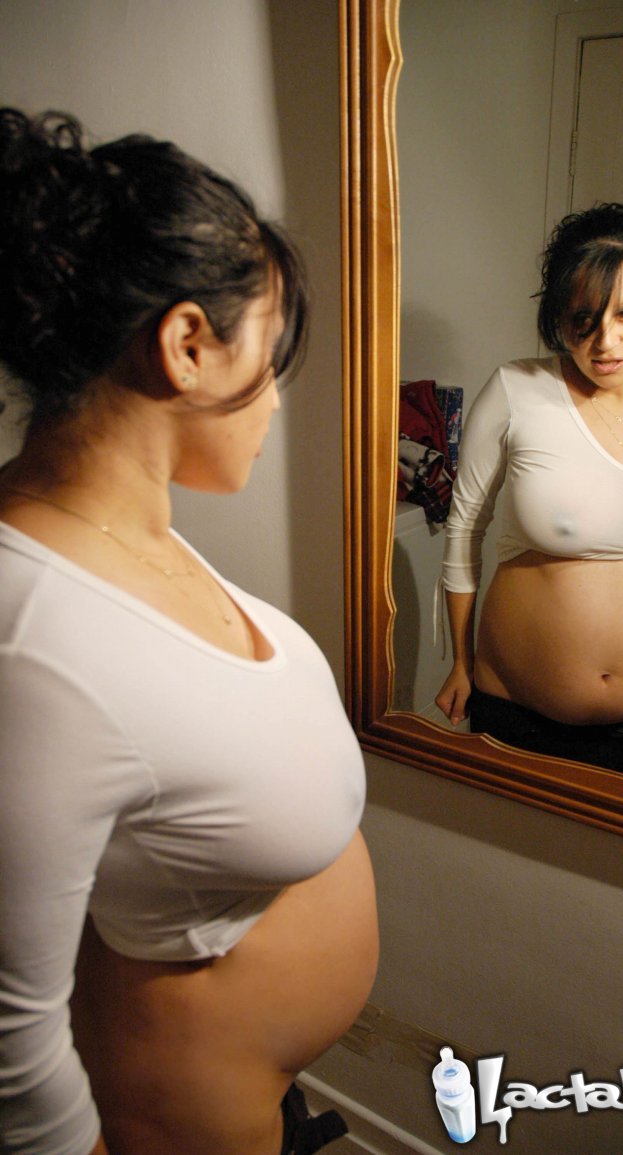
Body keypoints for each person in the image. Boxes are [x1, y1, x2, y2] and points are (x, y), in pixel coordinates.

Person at [0, 109, 378, 1155]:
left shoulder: (123, 532)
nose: (275, 402)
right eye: (270, 353)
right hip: (185, 1114)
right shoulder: (27, 635)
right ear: (187, 345)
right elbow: (12, 1048)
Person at [435, 203, 623, 788]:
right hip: (520, 715)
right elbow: (465, 528)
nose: (605, 341)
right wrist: (459, 661)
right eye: (582, 318)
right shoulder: (517, 388)